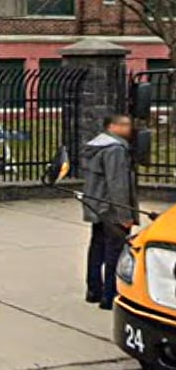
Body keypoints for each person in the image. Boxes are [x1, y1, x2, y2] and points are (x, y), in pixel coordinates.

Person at [83, 114, 137, 310]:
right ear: (112, 126)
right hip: (112, 209)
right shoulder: (115, 149)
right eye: (124, 125)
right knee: (114, 252)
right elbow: (117, 184)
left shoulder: (97, 146)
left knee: (97, 248)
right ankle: (109, 295)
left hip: (97, 206)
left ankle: (93, 290)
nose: (129, 128)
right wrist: (125, 215)